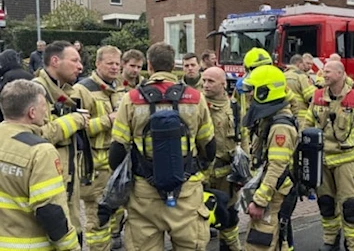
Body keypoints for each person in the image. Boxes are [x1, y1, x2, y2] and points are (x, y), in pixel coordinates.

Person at [108, 42, 216, 251]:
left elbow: (117, 151)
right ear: (173, 65)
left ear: (149, 65)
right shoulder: (195, 97)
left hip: (144, 197)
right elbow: (209, 146)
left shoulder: (131, 99)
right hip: (186, 193)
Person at [0, 79, 81, 251]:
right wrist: (71, 247)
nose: (46, 111)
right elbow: (50, 211)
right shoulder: (40, 151)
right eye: (44, 106)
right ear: (32, 112)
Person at [302, 60, 354, 251]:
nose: (324, 74)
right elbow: (307, 126)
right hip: (322, 161)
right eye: (324, 71)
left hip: (346, 161)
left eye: (329, 71)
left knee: (351, 208)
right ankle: (330, 242)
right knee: (326, 205)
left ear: (341, 74)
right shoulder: (317, 97)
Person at [34, 40, 90, 243]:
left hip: (68, 182)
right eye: (74, 60)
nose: (80, 66)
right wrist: (74, 119)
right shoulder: (37, 92)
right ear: (55, 61)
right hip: (51, 184)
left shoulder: (65, 91)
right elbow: (36, 135)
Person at [72, 46, 124, 251]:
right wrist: (108, 120)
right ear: (97, 63)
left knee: (115, 212)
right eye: (109, 63)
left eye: (117, 64)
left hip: (116, 163)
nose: (114, 67)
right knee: (96, 217)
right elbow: (78, 129)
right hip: (94, 166)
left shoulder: (119, 87)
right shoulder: (82, 89)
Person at [242, 65, 299, 251]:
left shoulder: (280, 127)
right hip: (272, 193)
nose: (248, 95)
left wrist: (260, 201)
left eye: (252, 90)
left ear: (265, 91)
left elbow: (277, 167)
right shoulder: (270, 118)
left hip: (273, 197)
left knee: (259, 244)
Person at [203, 66, 249, 251]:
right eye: (203, 80)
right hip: (202, 173)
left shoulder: (235, 108)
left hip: (227, 174)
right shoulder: (197, 105)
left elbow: (243, 137)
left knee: (229, 215)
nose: (205, 85)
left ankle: (231, 247)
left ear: (223, 84)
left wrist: (244, 172)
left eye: (210, 81)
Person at [285, 54, 316, 127]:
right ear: (299, 64)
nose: (305, 66)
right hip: (300, 115)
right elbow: (311, 96)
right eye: (303, 64)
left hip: (286, 113)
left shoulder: (282, 75)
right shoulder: (301, 76)